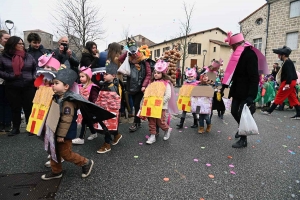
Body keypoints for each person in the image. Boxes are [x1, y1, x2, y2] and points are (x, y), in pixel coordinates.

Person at [41, 68, 95, 180]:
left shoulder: (68, 101)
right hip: (55, 130)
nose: (53, 86)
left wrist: (61, 135)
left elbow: (67, 119)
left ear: (66, 86)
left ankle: (85, 162)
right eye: (53, 83)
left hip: (65, 133)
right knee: (53, 150)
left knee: (66, 154)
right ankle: (56, 171)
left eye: (56, 83)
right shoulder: (57, 97)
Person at [220, 32, 262, 148]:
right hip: (237, 89)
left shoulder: (250, 54)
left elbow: (254, 76)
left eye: (232, 46)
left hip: (247, 91)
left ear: (237, 44)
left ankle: (244, 139)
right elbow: (231, 73)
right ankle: (241, 129)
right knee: (234, 111)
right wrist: (223, 87)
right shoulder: (236, 56)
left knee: (241, 114)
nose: (232, 48)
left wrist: (251, 96)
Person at [0, 36, 37, 136]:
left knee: (29, 107)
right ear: (13, 44)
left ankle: (30, 128)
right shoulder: (4, 57)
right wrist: (10, 76)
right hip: (12, 86)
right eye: (19, 44)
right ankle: (16, 128)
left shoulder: (28, 56)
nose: (22, 45)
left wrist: (33, 77)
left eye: (22, 44)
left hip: (28, 85)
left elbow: (35, 68)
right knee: (15, 108)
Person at [118, 37, 152, 132]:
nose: (134, 55)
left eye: (135, 53)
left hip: (140, 87)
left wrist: (144, 85)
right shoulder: (128, 58)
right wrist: (127, 52)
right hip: (130, 86)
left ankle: (136, 123)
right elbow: (120, 59)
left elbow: (148, 74)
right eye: (132, 53)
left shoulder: (144, 60)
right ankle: (138, 122)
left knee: (137, 104)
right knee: (133, 105)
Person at [140, 60, 174, 144]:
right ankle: (152, 136)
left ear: (163, 74)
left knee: (160, 122)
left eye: (158, 73)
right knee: (151, 122)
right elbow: (147, 94)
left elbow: (168, 95)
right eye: (154, 72)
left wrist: (160, 103)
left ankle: (167, 129)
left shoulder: (166, 83)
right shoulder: (151, 83)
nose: (155, 74)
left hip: (160, 107)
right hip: (150, 106)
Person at [261, 46, 300, 119]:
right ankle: (299, 113)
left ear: (284, 55)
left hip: (288, 82)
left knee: (279, 96)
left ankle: (269, 111)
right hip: (291, 82)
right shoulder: (288, 61)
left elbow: (289, 74)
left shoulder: (287, 62)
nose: (278, 56)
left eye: (280, 54)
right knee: (292, 97)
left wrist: (287, 83)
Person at [95, 63, 123, 153]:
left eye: (106, 74)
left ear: (113, 75)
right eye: (104, 74)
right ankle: (117, 135)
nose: (104, 76)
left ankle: (107, 144)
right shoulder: (104, 84)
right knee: (107, 126)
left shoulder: (116, 86)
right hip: (103, 109)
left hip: (111, 110)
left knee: (108, 127)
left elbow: (118, 99)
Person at [72, 67, 100, 144]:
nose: (80, 78)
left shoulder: (93, 87)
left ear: (88, 76)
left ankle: (81, 138)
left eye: (82, 76)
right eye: (80, 76)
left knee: (85, 121)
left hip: (89, 108)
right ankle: (94, 133)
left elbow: (95, 98)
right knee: (88, 121)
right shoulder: (79, 86)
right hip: (81, 107)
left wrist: (94, 105)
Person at [0, 30, 12, 132]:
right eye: (6, 38)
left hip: (9, 81)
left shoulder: (11, 51)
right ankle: (1, 123)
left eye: (9, 38)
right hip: (1, 80)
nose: (8, 40)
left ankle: (7, 123)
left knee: (8, 102)